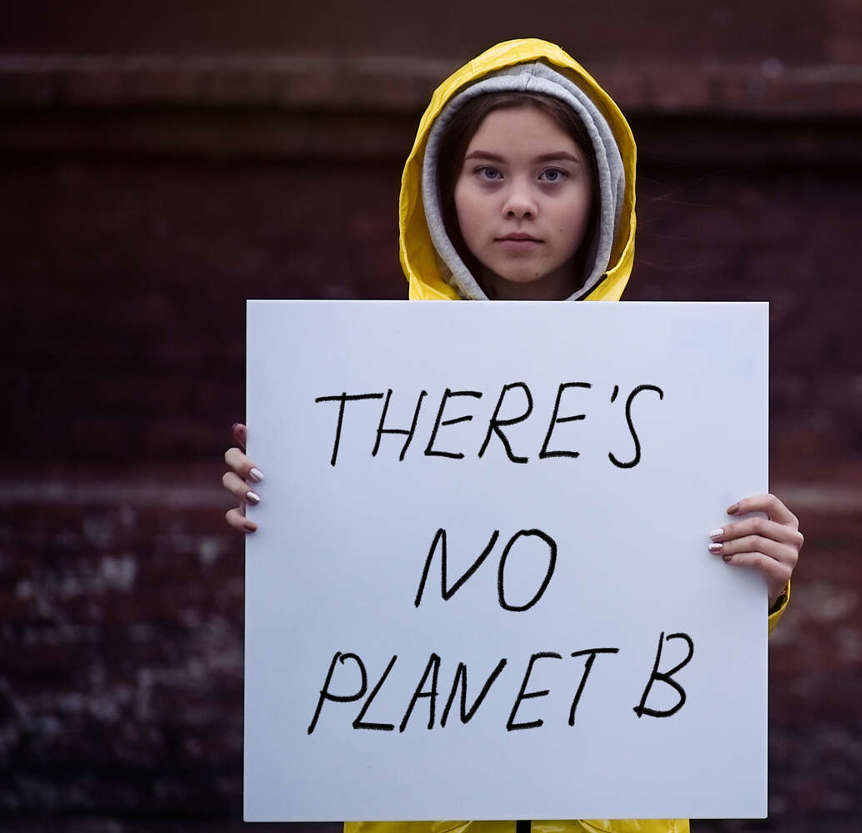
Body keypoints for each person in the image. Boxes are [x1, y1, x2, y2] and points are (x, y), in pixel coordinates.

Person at [218, 38, 804, 833]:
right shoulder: (365, 395)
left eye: (552, 174)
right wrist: (284, 512)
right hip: (415, 812)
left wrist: (760, 582)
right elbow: (344, 596)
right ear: (442, 190)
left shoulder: (674, 397)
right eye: (488, 172)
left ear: (601, 194)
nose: (519, 202)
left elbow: (678, 610)